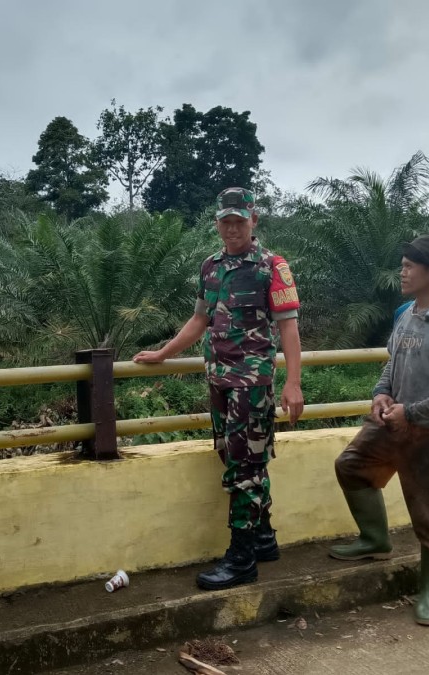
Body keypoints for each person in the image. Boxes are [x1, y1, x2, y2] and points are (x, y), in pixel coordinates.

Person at [134, 187, 304, 591]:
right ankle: (264, 538)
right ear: (217, 223)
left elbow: (289, 328)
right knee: (237, 455)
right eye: (225, 222)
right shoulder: (210, 266)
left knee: (244, 466)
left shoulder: (272, 267)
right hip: (219, 380)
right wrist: (164, 352)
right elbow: (200, 320)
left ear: (253, 221)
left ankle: (242, 558)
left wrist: (293, 383)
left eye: (239, 221)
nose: (232, 229)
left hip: (252, 382)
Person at [329, 235, 429, 626]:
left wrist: (411, 412)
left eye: (410, 265)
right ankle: (375, 540)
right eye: (403, 264)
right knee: (352, 466)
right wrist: (381, 394)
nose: (403, 271)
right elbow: (392, 363)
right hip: (391, 421)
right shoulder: (404, 313)